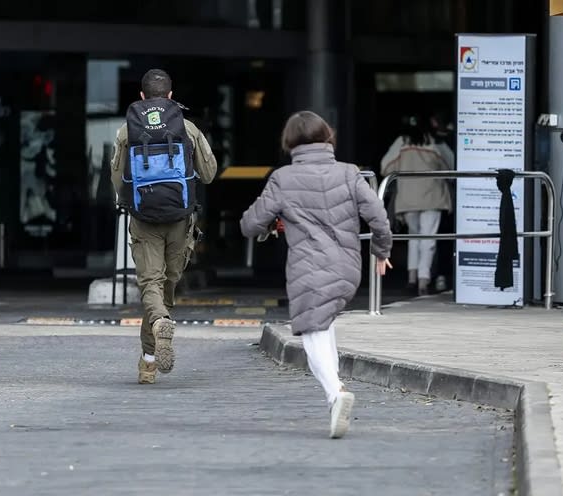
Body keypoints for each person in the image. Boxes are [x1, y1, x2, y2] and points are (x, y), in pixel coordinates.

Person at [240, 111, 393, 439]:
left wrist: (272, 220)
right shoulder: (350, 173)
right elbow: (378, 217)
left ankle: (335, 394)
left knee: (312, 331)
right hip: (348, 267)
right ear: (328, 136)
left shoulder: (283, 179)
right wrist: (382, 252)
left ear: (289, 143)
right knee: (324, 324)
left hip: (309, 268)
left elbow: (250, 224)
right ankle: (336, 392)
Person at [111, 69, 218, 385]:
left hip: (144, 218)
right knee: (166, 286)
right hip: (180, 219)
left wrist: (129, 198)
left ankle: (156, 334)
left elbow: (118, 181)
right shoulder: (187, 128)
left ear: (141, 96)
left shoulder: (126, 131)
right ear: (171, 96)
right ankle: (148, 360)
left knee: (150, 283)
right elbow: (209, 172)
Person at [380, 115, 454, 295]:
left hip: (408, 197)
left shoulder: (402, 142)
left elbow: (385, 167)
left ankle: (412, 277)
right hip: (432, 197)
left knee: (414, 237)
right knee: (428, 239)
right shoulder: (434, 143)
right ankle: (423, 279)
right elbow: (451, 168)